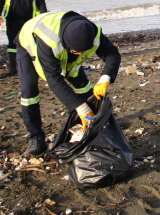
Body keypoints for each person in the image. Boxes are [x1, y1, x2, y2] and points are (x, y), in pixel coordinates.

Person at [16, 11, 121, 157]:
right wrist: (80, 107)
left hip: (63, 43)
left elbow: (112, 54)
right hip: (28, 41)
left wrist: (105, 78)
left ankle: (94, 124)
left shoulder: (91, 32)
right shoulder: (48, 40)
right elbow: (54, 79)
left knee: (83, 86)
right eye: (76, 51)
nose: (80, 54)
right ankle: (36, 138)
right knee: (29, 92)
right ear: (66, 42)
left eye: (83, 51)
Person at [0, 0, 48, 76]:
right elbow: (0, 0)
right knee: (12, 44)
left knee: (30, 44)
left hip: (29, 21)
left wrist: (44, 18)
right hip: (12, 20)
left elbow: (41, 3)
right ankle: (12, 69)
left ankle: (32, 68)